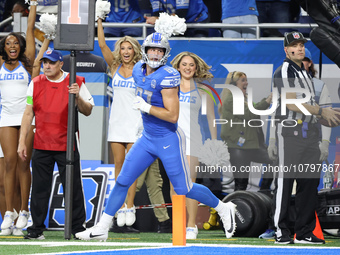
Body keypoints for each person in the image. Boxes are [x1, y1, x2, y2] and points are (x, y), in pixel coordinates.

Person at [75, 32, 237, 241]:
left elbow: (172, 115)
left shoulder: (169, 75)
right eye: (152, 49)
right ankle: (102, 227)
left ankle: (223, 208)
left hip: (168, 139)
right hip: (147, 137)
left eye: (159, 50)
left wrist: (146, 108)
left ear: (165, 53)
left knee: (183, 188)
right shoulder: (137, 70)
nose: (155, 53)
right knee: (123, 180)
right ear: (145, 50)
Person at [17, 49, 94, 240]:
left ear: (61, 64)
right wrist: (21, 142)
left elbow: (88, 110)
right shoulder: (35, 83)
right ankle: (36, 229)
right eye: (44, 63)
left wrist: (78, 97)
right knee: (39, 189)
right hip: (41, 143)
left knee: (74, 187)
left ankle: (78, 228)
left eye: (51, 63)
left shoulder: (76, 81)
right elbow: (28, 113)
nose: (47, 66)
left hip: (67, 144)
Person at [271, 31, 339, 244]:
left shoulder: (306, 75)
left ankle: (305, 231)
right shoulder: (284, 71)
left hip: (310, 133)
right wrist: (320, 112)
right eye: (295, 45)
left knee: (309, 183)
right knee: (285, 181)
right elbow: (291, 104)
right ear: (286, 49)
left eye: (302, 45)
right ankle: (280, 230)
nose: (299, 48)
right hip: (290, 133)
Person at [97, 16, 140, 230]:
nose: (125, 51)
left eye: (129, 48)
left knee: (131, 168)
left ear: (134, 51)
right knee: (119, 167)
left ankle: (129, 206)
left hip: (135, 123)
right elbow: (102, 44)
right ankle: (120, 205)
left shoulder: (142, 69)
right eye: (122, 48)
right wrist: (99, 20)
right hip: (117, 122)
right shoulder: (113, 67)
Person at [0, 0, 38, 234]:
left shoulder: (27, 61)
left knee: (24, 163)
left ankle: (24, 210)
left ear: (21, 46)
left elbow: (30, 28)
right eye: (7, 43)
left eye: (15, 42)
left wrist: (32, 4)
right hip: (5, 117)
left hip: (26, 118)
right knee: (10, 164)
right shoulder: (0, 64)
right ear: (3, 47)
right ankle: (9, 212)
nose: (12, 45)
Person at [170, 52, 217, 239]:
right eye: (184, 64)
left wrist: (213, 143)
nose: (188, 68)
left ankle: (191, 225)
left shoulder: (203, 91)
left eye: (191, 65)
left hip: (193, 140)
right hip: (172, 141)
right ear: (178, 67)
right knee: (174, 186)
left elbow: (212, 119)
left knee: (188, 184)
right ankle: (178, 224)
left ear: (196, 68)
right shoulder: (170, 87)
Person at [218, 71, 272, 191]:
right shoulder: (231, 99)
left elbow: (255, 108)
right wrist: (268, 100)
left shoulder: (245, 99)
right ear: (233, 84)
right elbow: (251, 113)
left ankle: (264, 190)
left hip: (252, 145)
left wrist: (266, 101)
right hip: (238, 147)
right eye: (242, 80)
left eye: (246, 80)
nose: (246, 83)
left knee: (275, 159)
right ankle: (237, 207)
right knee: (241, 183)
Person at [146, 0, 210, 37]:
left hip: (197, 19)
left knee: (198, 45)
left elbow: (181, 13)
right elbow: (158, 13)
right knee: (176, 47)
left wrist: (159, 20)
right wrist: (153, 19)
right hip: (175, 22)